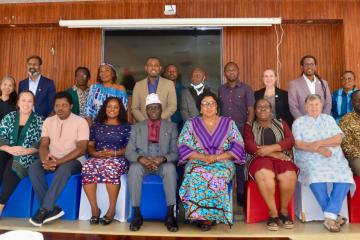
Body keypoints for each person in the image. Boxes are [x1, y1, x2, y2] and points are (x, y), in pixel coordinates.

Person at [178, 92, 245, 231]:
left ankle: (210, 217)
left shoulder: (229, 123)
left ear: (217, 107)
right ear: (200, 108)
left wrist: (217, 158)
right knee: (195, 175)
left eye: (212, 103)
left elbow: (238, 146)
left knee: (217, 176)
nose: (209, 106)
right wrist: (203, 158)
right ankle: (197, 214)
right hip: (197, 160)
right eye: (205, 104)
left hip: (223, 161)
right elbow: (183, 146)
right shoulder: (191, 124)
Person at [292, 94, 354, 232]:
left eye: (317, 105)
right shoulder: (298, 122)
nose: (314, 108)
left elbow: (338, 139)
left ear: (321, 106)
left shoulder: (329, 119)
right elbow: (298, 144)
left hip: (333, 157)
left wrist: (320, 143)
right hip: (309, 157)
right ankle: (332, 216)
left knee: (345, 175)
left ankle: (329, 216)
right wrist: (319, 150)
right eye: (311, 105)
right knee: (314, 175)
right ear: (305, 106)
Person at [28, 91, 89, 227]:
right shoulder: (49, 121)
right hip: (52, 158)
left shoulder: (81, 122)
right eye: (57, 106)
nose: (60, 108)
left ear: (71, 106)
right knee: (33, 168)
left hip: (75, 161)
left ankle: (44, 209)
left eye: (64, 105)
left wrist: (58, 162)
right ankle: (52, 208)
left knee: (64, 169)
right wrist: (45, 161)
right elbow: (44, 144)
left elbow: (81, 149)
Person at [125, 93, 178, 232]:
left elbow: (175, 152)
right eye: (150, 108)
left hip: (162, 163)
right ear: (146, 110)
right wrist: (141, 159)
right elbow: (129, 152)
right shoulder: (137, 127)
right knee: (134, 169)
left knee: (170, 169)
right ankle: (136, 215)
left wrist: (162, 159)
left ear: (161, 109)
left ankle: (170, 215)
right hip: (142, 164)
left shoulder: (171, 126)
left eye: (156, 108)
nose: (153, 111)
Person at [243, 99, 298, 231]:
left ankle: (284, 211)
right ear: (255, 111)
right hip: (258, 159)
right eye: (259, 107)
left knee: (289, 175)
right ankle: (273, 213)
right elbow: (249, 146)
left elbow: (290, 140)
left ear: (271, 110)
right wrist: (273, 153)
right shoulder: (249, 126)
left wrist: (271, 148)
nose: (262, 109)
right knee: (265, 174)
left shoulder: (281, 122)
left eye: (266, 107)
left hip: (282, 158)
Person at [82, 97, 131, 225]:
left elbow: (130, 148)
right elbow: (90, 145)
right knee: (87, 168)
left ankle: (111, 209)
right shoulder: (96, 125)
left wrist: (114, 153)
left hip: (118, 158)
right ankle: (95, 209)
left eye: (115, 107)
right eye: (109, 106)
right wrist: (95, 154)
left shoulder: (126, 126)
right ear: (105, 108)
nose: (112, 110)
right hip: (98, 157)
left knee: (110, 168)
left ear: (120, 109)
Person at [0, 91, 43, 215]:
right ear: (18, 102)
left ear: (33, 103)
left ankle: (1, 205)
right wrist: (9, 149)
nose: (26, 103)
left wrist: (26, 151)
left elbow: (41, 144)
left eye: (30, 101)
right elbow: (1, 136)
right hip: (8, 150)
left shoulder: (39, 121)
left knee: (15, 163)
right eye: (23, 100)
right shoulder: (10, 117)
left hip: (28, 155)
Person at [218, 61, 255, 206]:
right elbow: (219, 111)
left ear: (238, 72)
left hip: (240, 129)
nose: (231, 72)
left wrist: (248, 127)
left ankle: (240, 194)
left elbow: (251, 110)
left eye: (234, 70)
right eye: (228, 70)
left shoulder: (246, 89)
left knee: (240, 163)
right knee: (224, 161)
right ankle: (222, 194)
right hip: (224, 131)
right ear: (225, 73)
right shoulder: (221, 89)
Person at [131, 57, 177, 122]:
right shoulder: (138, 85)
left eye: (156, 65)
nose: (153, 68)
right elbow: (134, 108)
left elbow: (172, 106)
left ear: (160, 68)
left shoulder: (169, 84)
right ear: (146, 68)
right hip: (143, 126)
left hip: (164, 124)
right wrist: (145, 122)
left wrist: (159, 119)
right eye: (150, 65)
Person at [288, 55, 332, 120]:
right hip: (303, 124)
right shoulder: (294, 84)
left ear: (315, 66)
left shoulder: (324, 83)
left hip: (322, 122)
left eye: (312, 64)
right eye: (306, 64)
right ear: (301, 67)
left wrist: (323, 119)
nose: (309, 67)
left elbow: (328, 103)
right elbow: (293, 106)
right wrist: (304, 121)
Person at [339, 90, 360, 176]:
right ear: (352, 102)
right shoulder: (346, 119)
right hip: (356, 156)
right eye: (357, 100)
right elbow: (346, 144)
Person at [163, 64, 184, 129]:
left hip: (179, 126)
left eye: (174, 71)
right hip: (163, 125)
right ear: (165, 74)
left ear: (177, 74)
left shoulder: (183, 90)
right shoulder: (159, 89)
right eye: (169, 71)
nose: (172, 73)